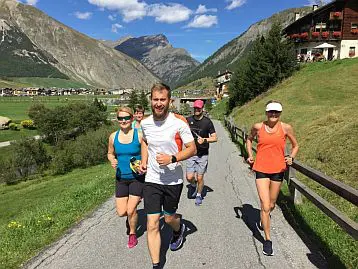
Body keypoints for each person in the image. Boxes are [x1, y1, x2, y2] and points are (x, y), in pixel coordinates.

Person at [139, 83, 196, 269]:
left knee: (169, 218)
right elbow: (146, 142)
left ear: (170, 101)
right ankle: (156, 265)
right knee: (153, 223)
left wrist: (173, 158)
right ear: (151, 100)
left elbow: (192, 149)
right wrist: (144, 161)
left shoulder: (179, 123)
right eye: (155, 99)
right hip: (152, 179)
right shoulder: (145, 123)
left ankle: (179, 230)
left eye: (162, 99)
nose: (158, 103)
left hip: (173, 180)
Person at [246, 100, 299, 256]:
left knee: (272, 204)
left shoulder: (285, 128)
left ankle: (265, 218)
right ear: (266, 113)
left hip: (277, 170)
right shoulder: (258, 127)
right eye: (271, 112)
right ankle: (267, 240)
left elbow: (296, 145)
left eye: (276, 112)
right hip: (261, 168)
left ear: (280, 113)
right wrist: (250, 155)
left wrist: (292, 157)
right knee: (265, 204)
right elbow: (249, 139)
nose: (273, 114)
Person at [107, 106, 144, 249]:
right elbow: (110, 153)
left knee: (130, 210)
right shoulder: (113, 136)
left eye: (126, 118)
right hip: (121, 178)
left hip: (137, 177)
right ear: (117, 120)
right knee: (122, 212)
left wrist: (143, 163)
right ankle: (131, 216)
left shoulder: (139, 135)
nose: (124, 121)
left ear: (132, 118)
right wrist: (112, 160)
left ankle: (132, 234)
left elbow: (147, 152)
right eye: (120, 118)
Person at [186, 99, 217, 206]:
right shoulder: (188, 120)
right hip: (191, 153)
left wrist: (205, 140)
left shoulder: (207, 122)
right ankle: (194, 185)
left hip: (203, 154)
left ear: (202, 109)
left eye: (198, 108)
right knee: (189, 177)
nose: (196, 110)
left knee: (200, 177)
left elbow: (215, 138)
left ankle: (199, 195)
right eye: (195, 108)